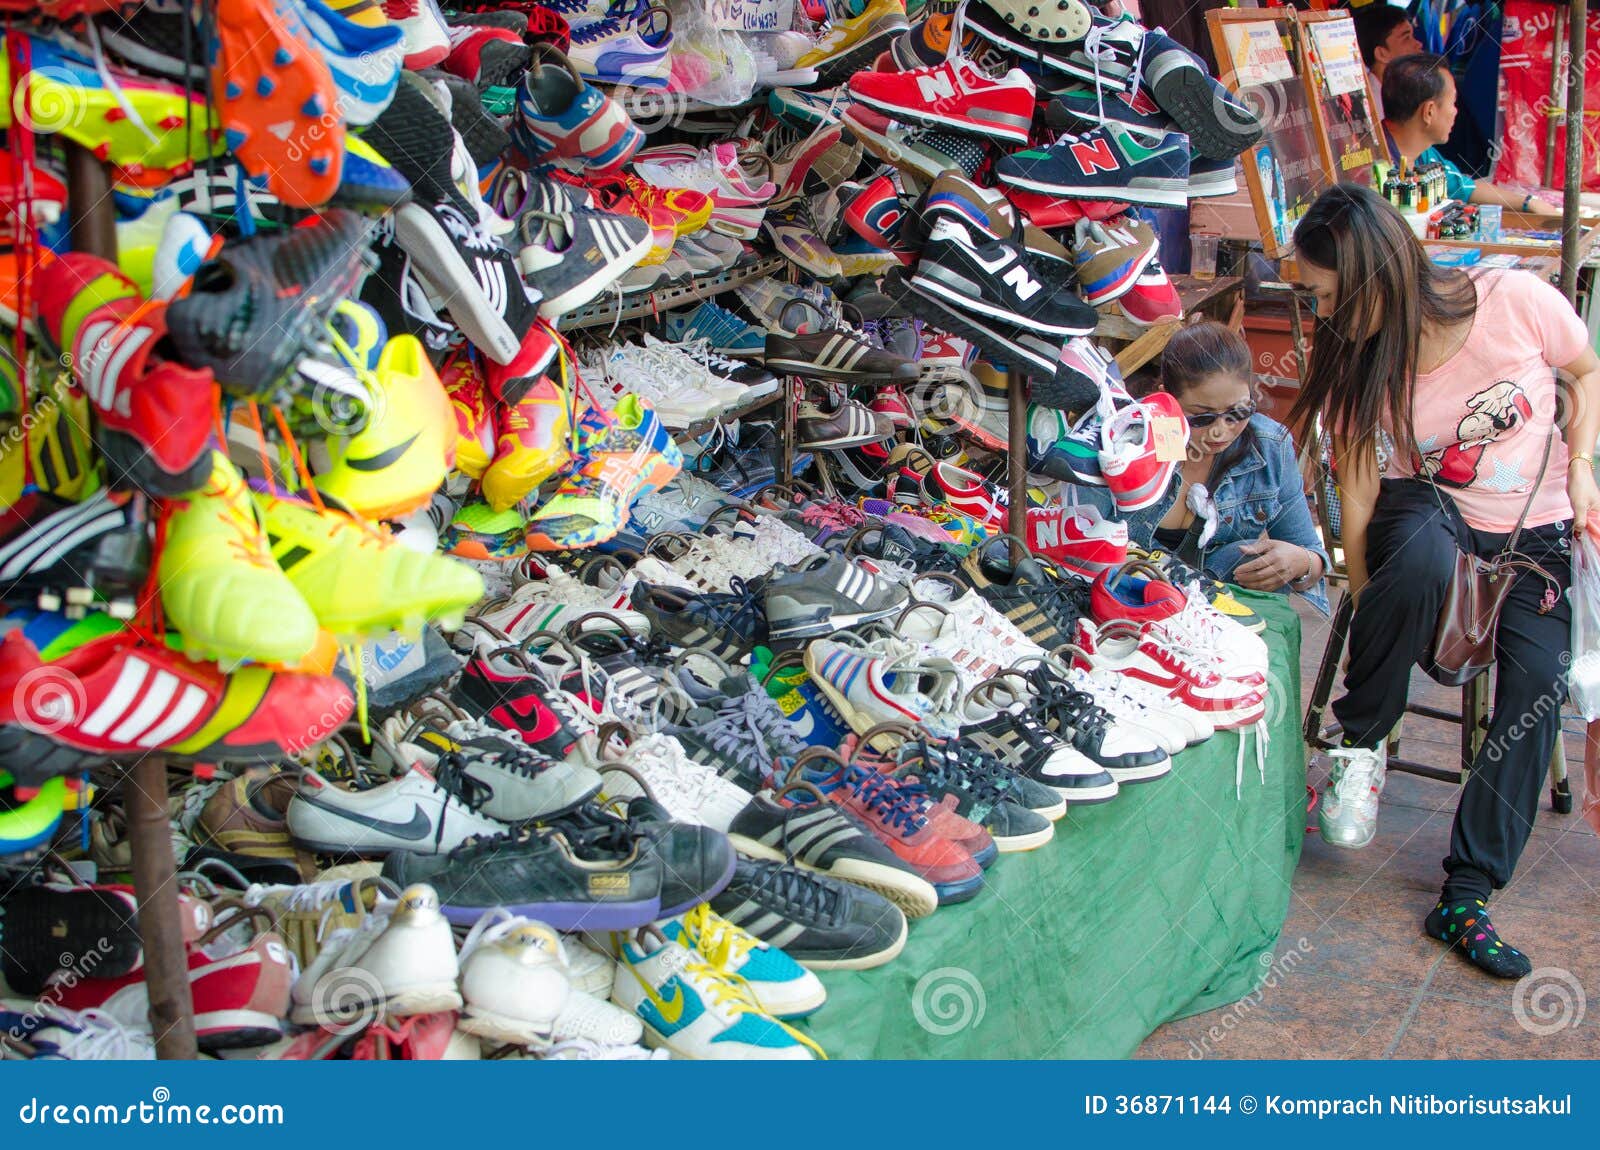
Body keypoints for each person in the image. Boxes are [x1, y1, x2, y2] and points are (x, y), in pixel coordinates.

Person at [1288, 183, 1600, 979]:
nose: (1322, 316)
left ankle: (1466, 892)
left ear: (1366, 276)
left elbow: (1585, 370)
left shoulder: (1516, 299)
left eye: (1325, 295)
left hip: (1537, 527)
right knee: (1419, 552)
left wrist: (1587, 465)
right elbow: (1358, 493)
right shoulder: (1363, 362)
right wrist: (1370, 600)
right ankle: (1360, 744)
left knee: (1538, 678)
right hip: (1428, 516)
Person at [1110, 320, 1330, 610]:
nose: (1221, 431)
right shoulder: (1125, 439)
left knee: (1258, 562)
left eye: (1238, 412)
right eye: (1202, 417)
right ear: (1165, 400)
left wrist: (1301, 562)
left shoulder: (1270, 445)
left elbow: (1311, 552)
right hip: (1131, 591)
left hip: (1224, 598)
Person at [1381, 53, 1560, 215]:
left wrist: (1529, 203)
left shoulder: (1425, 155)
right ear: (1429, 111)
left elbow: (1467, 188)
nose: (1455, 112)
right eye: (1453, 103)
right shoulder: (1371, 165)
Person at [1353, 3, 1422, 120]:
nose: (1418, 44)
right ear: (1381, 54)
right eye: (1406, 38)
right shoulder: (1368, 109)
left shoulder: (1404, 94)